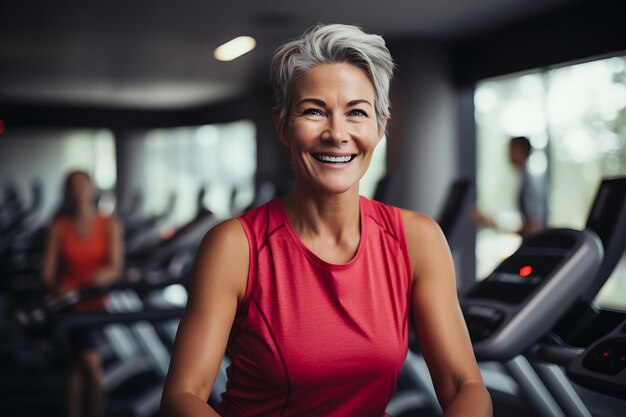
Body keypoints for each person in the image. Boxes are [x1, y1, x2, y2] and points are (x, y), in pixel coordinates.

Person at [160, 24, 492, 417]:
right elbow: (184, 394)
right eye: (314, 111)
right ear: (283, 124)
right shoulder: (235, 247)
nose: (337, 134)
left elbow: (464, 386)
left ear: (380, 126)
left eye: (357, 113)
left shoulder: (417, 239)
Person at [41, 170, 124, 417]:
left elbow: (116, 267)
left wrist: (104, 275)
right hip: (70, 305)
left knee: (83, 363)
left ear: (93, 190)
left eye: (83, 186)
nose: (78, 191)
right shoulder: (59, 227)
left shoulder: (110, 224)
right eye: (73, 187)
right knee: (82, 363)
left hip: (95, 302)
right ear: (67, 194)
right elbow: (45, 274)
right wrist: (59, 290)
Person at [475, 136, 548, 237]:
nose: (507, 154)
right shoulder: (525, 179)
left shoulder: (530, 183)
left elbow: (533, 226)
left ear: (521, 152)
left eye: (510, 149)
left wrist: (494, 223)